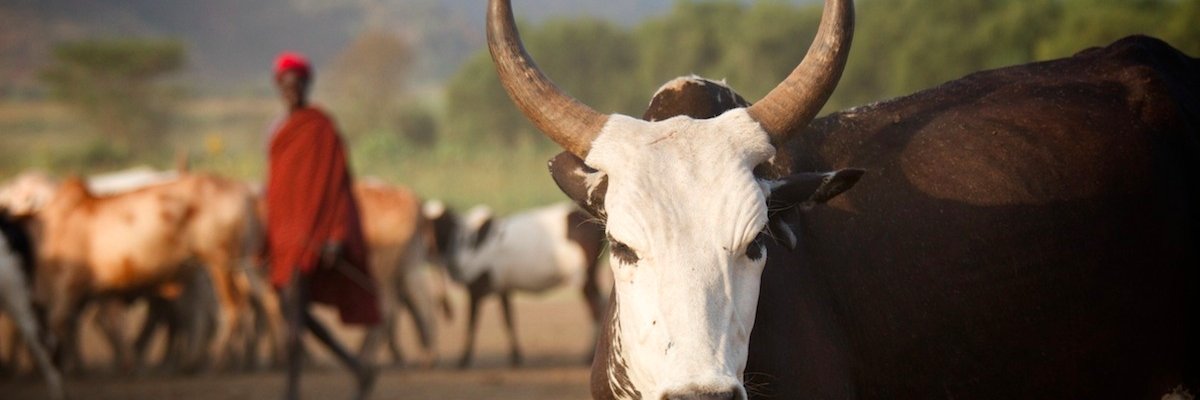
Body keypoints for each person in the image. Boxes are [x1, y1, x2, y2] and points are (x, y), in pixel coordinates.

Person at [264, 51, 379, 400]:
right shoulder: (277, 131)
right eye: (285, 86)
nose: (292, 91)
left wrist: (335, 235)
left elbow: (337, 185)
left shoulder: (322, 128)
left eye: (297, 85)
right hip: (286, 235)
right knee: (292, 311)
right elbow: (278, 189)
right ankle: (356, 367)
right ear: (279, 89)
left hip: (313, 236)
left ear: (307, 85)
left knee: (295, 320)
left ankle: (292, 391)